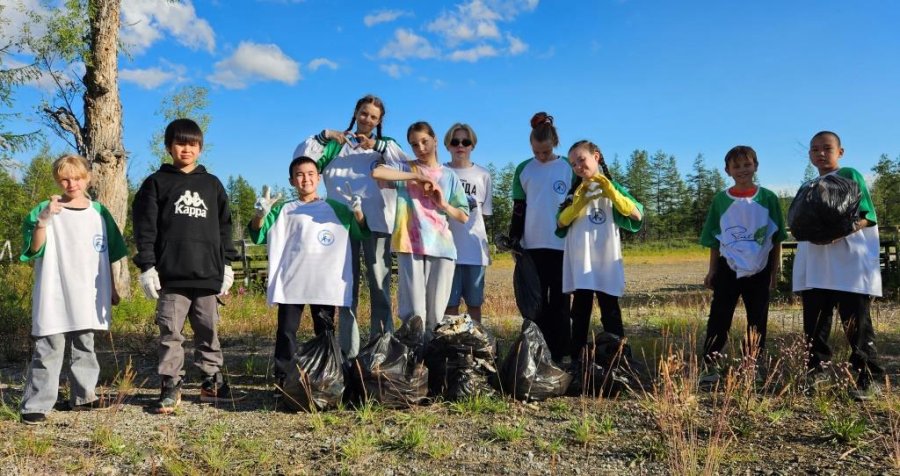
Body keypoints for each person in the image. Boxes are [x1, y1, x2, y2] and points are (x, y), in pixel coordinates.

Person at [133, 118, 241, 414]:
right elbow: (145, 228)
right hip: (171, 276)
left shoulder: (212, 184)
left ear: (200, 148)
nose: (186, 149)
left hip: (208, 274)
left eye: (192, 144)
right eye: (180, 143)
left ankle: (211, 381)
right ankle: (170, 385)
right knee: (170, 332)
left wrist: (227, 264)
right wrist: (147, 266)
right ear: (168, 147)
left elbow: (225, 227)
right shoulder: (156, 183)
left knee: (208, 329)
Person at [17, 155, 128, 425]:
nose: (72, 184)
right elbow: (34, 249)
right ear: (58, 180)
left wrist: (112, 288)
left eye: (77, 178)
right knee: (49, 345)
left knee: (85, 343)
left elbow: (109, 253)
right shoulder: (47, 208)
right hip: (54, 288)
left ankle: (83, 396)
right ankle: (37, 403)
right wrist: (43, 221)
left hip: (88, 291)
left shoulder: (99, 212)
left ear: (87, 178)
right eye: (65, 179)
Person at [293, 95, 405, 358]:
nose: (367, 119)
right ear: (355, 113)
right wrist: (325, 135)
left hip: (377, 224)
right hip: (340, 226)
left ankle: (381, 348)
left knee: (379, 286)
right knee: (345, 288)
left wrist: (377, 145)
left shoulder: (385, 147)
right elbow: (302, 162)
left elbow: (404, 168)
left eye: (374, 117)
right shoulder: (335, 146)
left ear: (379, 122)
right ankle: (348, 353)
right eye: (364, 113)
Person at [248, 156, 369, 391]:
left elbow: (360, 232)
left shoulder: (336, 209)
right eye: (300, 175)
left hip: (324, 282)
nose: (306, 179)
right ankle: (283, 380)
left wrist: (357, 212)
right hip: (291, 281)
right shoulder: (283, 209)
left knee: (325, 331)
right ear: (292, 180)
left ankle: (327, 378)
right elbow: (258, 234)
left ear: (319, 178)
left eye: (311, 174)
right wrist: (260, 215)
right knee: (286, 331)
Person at [792, 131, 884, 400]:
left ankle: (869, 377)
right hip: (816, 265)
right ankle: (816, 372)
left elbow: (868, 215)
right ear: (809, 155)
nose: (821, 153)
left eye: (827, 148)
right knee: (815, 325)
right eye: (815, 149)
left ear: (840, 152)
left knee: (856, 323)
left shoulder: (849, 175)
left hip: (849, 265)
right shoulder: (808, 186)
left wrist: (838, 232)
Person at [371, 121, 469, 340]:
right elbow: (377, 172)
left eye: (425, 141)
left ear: (435, 140)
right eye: (414, 145)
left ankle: (432, 356)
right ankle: (414, 355)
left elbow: (463, 215)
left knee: (436, 315)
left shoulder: (449, 176)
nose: (421, 148)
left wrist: (443, 204)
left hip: (442, 247)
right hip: (409, 245)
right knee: (414, 313)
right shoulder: (405, 168)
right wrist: (416, 176)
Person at [698, 145, 787, 384]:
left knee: (757, 318)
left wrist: (774, 270)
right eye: (736, 166)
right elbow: (715, 238)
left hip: (760, 267)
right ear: (727, 170)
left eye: (747, 164)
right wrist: (712, 270)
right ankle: (710, 365)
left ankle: (752, 365)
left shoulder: (768, 198)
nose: (742, 170)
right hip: (728, 266)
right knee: (719, 316)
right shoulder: (721, 200)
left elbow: (776, 237)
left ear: (755, 166)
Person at [556, 140, 643, 365]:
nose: (578, 167)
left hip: (605, 258)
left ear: (596, 156)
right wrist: (578, 203)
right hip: (581, 260)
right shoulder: (574, 192)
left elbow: (636, 214)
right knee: (580, 311)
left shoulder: (613, 187)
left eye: (581, 160)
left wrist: (611, 192)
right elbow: (560, 222)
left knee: (610, 309)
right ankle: (577, 359)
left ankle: (618, 359)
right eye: (573, 164)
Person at [509, 112, 574, 362]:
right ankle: (538, 353)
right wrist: (514, 239)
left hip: (561, 244)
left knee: (560, 301)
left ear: (554, 143)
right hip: (532, 246)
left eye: (545, 152)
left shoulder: (568, 167)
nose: (541, 156)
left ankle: (562, 353)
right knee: (535, 302)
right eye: (536, 152)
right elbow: (519, 208)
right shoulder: (524, 169)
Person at [443, 123, 493, 323]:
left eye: (466, 141)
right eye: (455, 141)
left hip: (474, 251)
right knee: (449, 305)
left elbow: (484, 214)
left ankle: (476, 340)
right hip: (446, 249)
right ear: (448, 145)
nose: (460, 146)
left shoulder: (483, 175)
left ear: (473, 145)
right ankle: (451, 341)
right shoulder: (441, 172)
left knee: (474, 304)